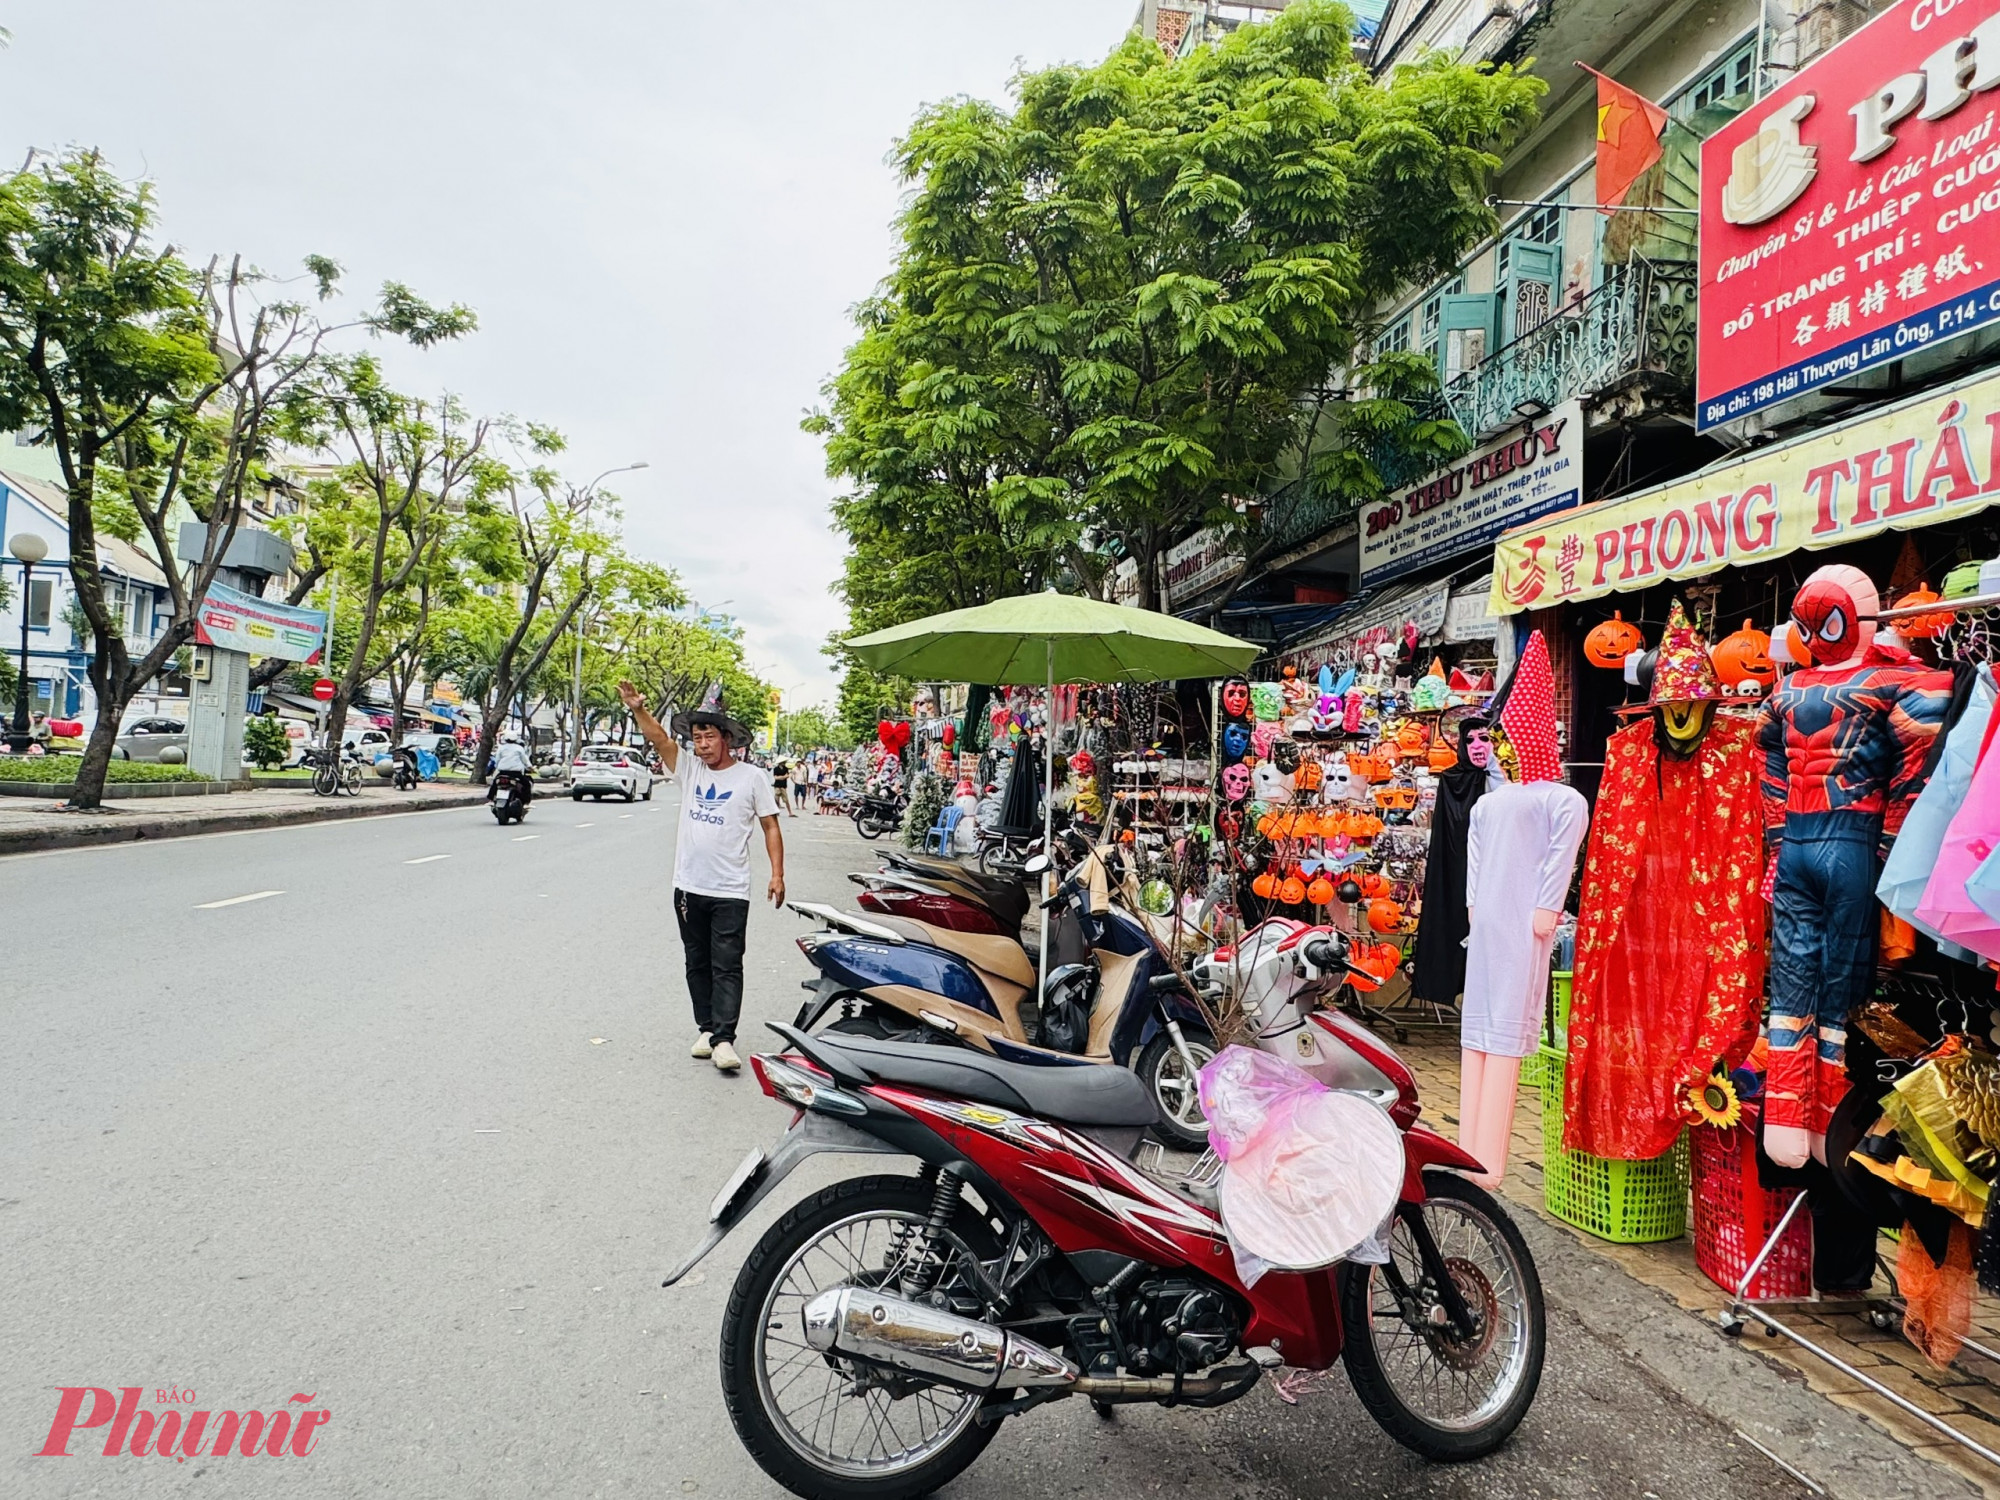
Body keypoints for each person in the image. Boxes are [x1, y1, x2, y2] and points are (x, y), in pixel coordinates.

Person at [619, 677, 784, 1074]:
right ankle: (706, 1028)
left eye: (708, 736)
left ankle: (724, 1039)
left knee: (727, 963)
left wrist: (777, 874)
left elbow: (771, 826)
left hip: (730, 889)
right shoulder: (690, 769)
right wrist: (638, 708)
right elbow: (660, 741)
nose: (702, 744)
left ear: (726, 738)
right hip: (688, 887)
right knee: (696, 961)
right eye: (697, 737)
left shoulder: (752, 778)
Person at [487, 731, 533, 805]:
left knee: (495, 784)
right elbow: (525, 760)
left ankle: (491, 800)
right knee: (527, 784)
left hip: (502, 772)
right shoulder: (519, 748)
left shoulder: (501, 748)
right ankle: (526, 803)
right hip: (516, 773)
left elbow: (497, 760)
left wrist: (496, 767)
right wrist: (530, 767)